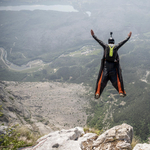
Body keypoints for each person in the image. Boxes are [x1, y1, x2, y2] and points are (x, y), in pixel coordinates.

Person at [91, 30, 132, 99]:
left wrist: (93, 35)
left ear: (109, 42)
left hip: (106, 66)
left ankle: (98, 93)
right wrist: (128, 37)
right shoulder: (116, 47)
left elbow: (99, 41)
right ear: (113, 42)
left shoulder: (106, 46)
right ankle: (121, 91)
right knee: (117, 79)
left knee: (101, 79)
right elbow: (122, 42)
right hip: (113, 66)